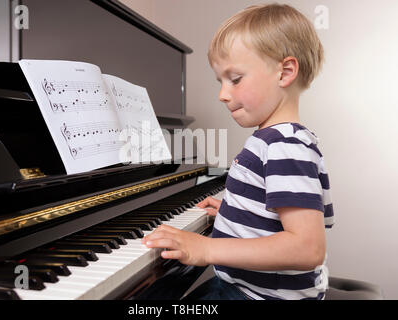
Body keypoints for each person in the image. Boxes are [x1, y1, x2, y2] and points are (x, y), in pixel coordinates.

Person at [142, 3, 334, 300]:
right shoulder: (273, 139)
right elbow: (277, 211)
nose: (222, 94)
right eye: (220, 81)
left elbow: (307, 248)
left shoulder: (285, 145)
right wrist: (238, 214)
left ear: (284, 72)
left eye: (235, 79)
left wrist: (205, 247)